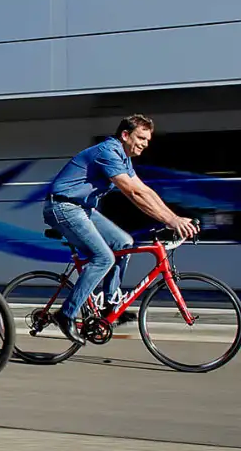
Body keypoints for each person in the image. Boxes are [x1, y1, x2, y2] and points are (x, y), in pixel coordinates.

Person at [43, 114, 199, 345]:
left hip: (82, 208)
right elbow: (133, 193)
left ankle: (109, 305)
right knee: (103, 258)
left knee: (123, 243)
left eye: (148, 139)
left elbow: (143, 191)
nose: (145, 143)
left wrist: (173, 218)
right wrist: (172, 221)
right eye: (141, 137)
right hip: (63, 206)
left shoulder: (124, 158)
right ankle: (65, 315)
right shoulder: (107, 152)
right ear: (125, 135)